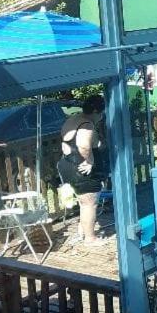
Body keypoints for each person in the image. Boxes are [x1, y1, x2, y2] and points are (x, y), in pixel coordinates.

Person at [56, 94, 108, 246]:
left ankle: (82, 233)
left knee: (83, 203)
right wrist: (90, 161)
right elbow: (84, 145)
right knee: (90, 204)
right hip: (81, 169)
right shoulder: (86, 124)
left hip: (67, 164)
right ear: (96, 111)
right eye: (101, 113)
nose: (101, 116)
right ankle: (90, 238)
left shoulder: (73, 119)